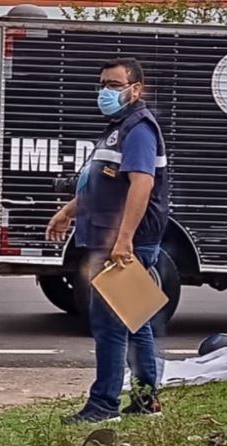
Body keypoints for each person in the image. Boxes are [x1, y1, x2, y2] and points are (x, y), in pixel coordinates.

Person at [46, 57, 169, 423]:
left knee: (110, 326)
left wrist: (124, 241)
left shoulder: (140, 130)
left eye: (114, 85)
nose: (106, 91)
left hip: (121, 243)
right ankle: (147, 401)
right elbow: (100, 186)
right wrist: (68, 211)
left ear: (136, 89)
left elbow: (141, 185)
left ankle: (103, 406)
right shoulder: (118, 127)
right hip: (106, 237)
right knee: (135, 320)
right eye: (103, 84)